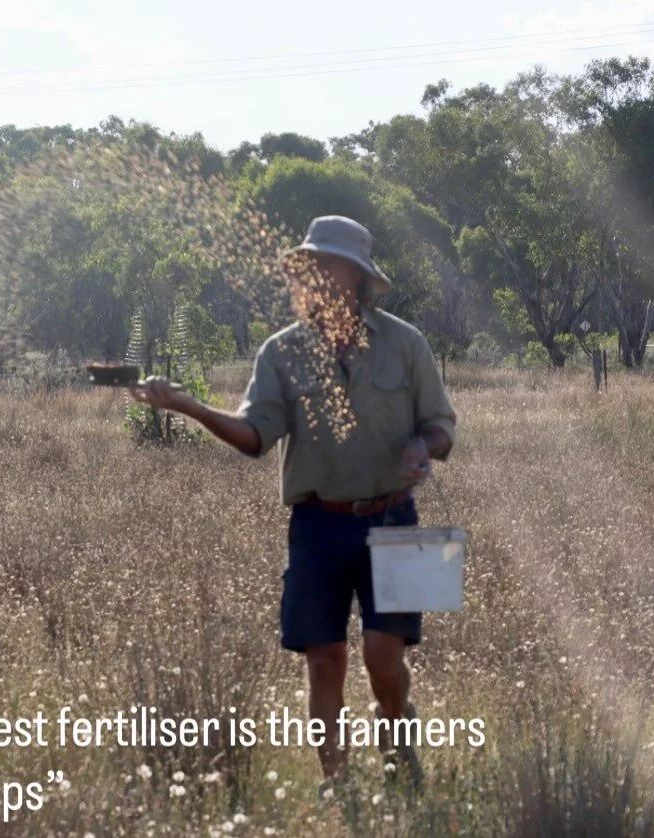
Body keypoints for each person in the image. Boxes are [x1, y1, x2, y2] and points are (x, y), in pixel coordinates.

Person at [130, 215, 456, 793]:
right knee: (324, 661)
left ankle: (399, 747)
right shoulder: (280, 352)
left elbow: (443, 428)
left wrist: (421, 445)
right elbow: (256, 437)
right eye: (307, 266)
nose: (313, 276)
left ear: (356, 276)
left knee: (384, 659)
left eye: (326, 265)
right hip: (317, 525)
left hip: (396, 519)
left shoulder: (405, 343)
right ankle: (338, 787)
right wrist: (191, 408)